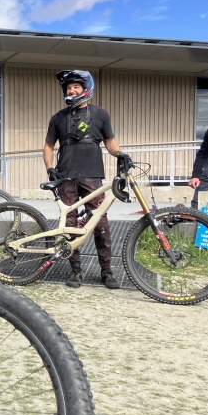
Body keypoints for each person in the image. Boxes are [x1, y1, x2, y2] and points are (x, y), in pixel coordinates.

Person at [43, 70, 122, 289]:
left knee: (100, 223)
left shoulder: (100, 114)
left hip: (93, 177)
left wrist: (122, 155)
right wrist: (50, 168)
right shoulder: (58, 117)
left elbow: (111, 143)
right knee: (69, 225)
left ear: (86, 88)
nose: (71, 90)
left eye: (76, 87)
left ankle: (106, 271)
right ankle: (75, 271)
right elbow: (49, 146)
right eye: (68, 88)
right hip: (65, 177)